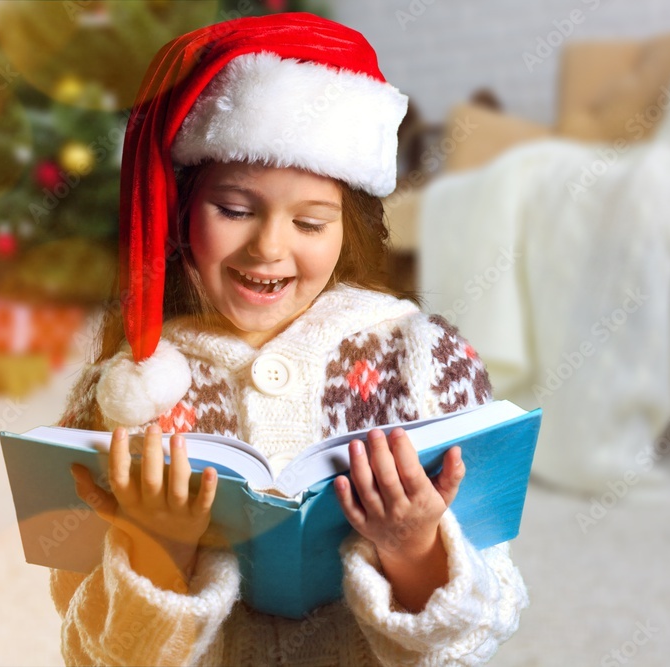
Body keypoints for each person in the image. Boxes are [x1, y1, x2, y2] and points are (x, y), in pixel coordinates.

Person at [51, 12, 528, 666]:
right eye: (236, 209)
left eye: (310, 220)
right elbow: (90, 651)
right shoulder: (123, 388)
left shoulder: (424, 358)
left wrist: (415, 549)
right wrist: (158, 551)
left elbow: (479, 631)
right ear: (184, 209)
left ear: (346, 228)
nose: (270, 247)